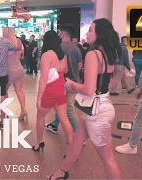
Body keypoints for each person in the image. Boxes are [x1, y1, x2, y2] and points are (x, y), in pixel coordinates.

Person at [47, 18, 121, 179]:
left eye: (90, 30)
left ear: (99, 34)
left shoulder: (93, 55)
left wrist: (72, 84)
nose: (86, 34)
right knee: (76, 142)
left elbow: (89, 89)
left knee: (108, 160)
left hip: (97, 112)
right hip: (99, 106)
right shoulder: (107, 54)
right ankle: (61, 172)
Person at [32, 30, 73, 152]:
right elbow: (65, 70)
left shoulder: (47, 55)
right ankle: (72, 147)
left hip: (51, 88)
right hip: (62, 86)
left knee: (40, 117)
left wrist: (39, 97)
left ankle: (39, 143)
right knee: (64, 119)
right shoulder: (63, 54)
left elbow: (43, 78)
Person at [45, 24, 82, 134]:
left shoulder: (60, 47)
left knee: (69, 110)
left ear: (63, 34)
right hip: (74, 81)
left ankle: (79, 135)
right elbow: (80, 65)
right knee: (60, 104)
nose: (58, 34)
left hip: (64, 82)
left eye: (59, 32)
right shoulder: (77, 48)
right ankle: (54, 125)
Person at [2, 27, 28, 121]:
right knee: (19, 91)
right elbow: (22, 53)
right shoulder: (18, 41)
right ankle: (23, 110)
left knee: (4, 91)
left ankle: (4, 112)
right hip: (19, 69)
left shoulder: (4, 43)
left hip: (9, 71)